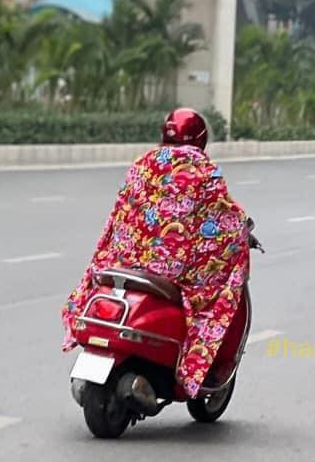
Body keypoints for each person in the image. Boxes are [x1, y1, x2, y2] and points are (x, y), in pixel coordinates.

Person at [61, 108, 250, 399]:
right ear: (201, 138)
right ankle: (190, 366)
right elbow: (220, 217)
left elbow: (123, 211)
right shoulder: (202, 169)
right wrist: (240, 231)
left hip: (126, 260)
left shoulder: (142, 163)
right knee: (213, 295)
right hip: (169, 271)